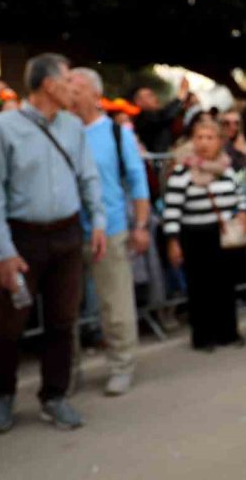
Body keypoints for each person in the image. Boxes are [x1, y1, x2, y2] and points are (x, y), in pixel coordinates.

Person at [0, 53, 106, 434]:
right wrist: (3, 253)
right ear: (48, 85)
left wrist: (97, 220)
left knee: (63, 320)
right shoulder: (0, 129)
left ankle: (54, 396)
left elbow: (88, 177)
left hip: (66, 235)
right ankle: (2, 395)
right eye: (68, 81)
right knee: (10, 323)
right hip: (22, 239)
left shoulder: (72, 127)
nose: (73, 88)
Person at [69, 68, 152, 396]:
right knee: (66, 309)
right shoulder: (62, 131)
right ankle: (68, 371)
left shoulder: (117, 134)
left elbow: (137, 181)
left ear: (93, 92)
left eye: (74, 86)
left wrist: (141, 226)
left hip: (113, 230)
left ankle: (121, 365)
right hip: (69, 233)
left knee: (115, 305)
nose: (68, 92)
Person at [162, 117, 246, 352]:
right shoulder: (182, 173)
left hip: (222, 235)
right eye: (199, 137)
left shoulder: (226, 169)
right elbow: (172, 210)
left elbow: (239, 195)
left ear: (219, 142)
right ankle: (203, 336)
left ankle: (228, 332)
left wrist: (242, 214)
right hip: (195, 235)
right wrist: (173, 241)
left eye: (209, 138)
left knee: (225, 285)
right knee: (200, 288)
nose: (204, 143)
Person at [131, 77, 190, 154]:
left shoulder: (154, 116)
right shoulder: (144, 118)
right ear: (138, 102)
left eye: (153, 95)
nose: (154, 98)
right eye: (149, 96)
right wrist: (181, 95)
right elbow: (165, 116)